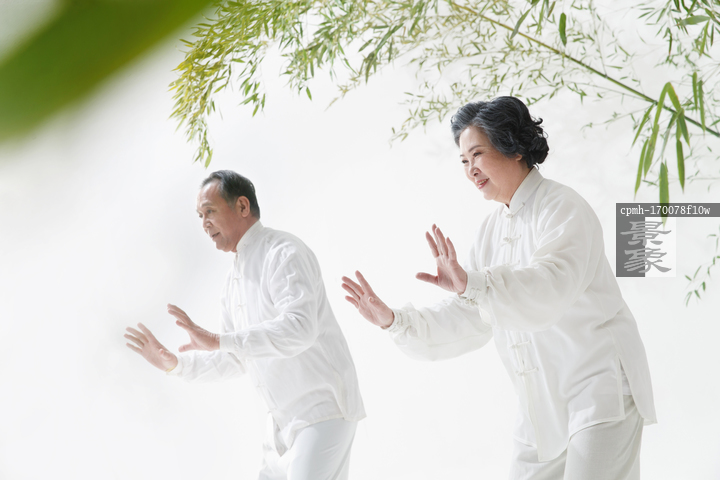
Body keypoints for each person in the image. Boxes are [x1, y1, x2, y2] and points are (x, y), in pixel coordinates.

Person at [341, 96, 656, 480]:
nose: (470, 169)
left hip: (599, 390)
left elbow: (550, 288)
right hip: (540, 405)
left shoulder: (563, 207)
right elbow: (472, 316)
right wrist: (395, 321)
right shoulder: (491, 230)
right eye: (463, 161)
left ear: (514, 147)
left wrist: (473, 283)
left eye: (477, 154)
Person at [125, 170, 365, 480]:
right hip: (279, 429)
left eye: (210, 211)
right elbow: (235, 358)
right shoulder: (231, 284)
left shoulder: (284, 252)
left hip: (322, 415)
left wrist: (219, 340)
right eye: (200, 216)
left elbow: (300, 329)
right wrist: (176, 365)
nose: (204, 223)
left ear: (242, 206)